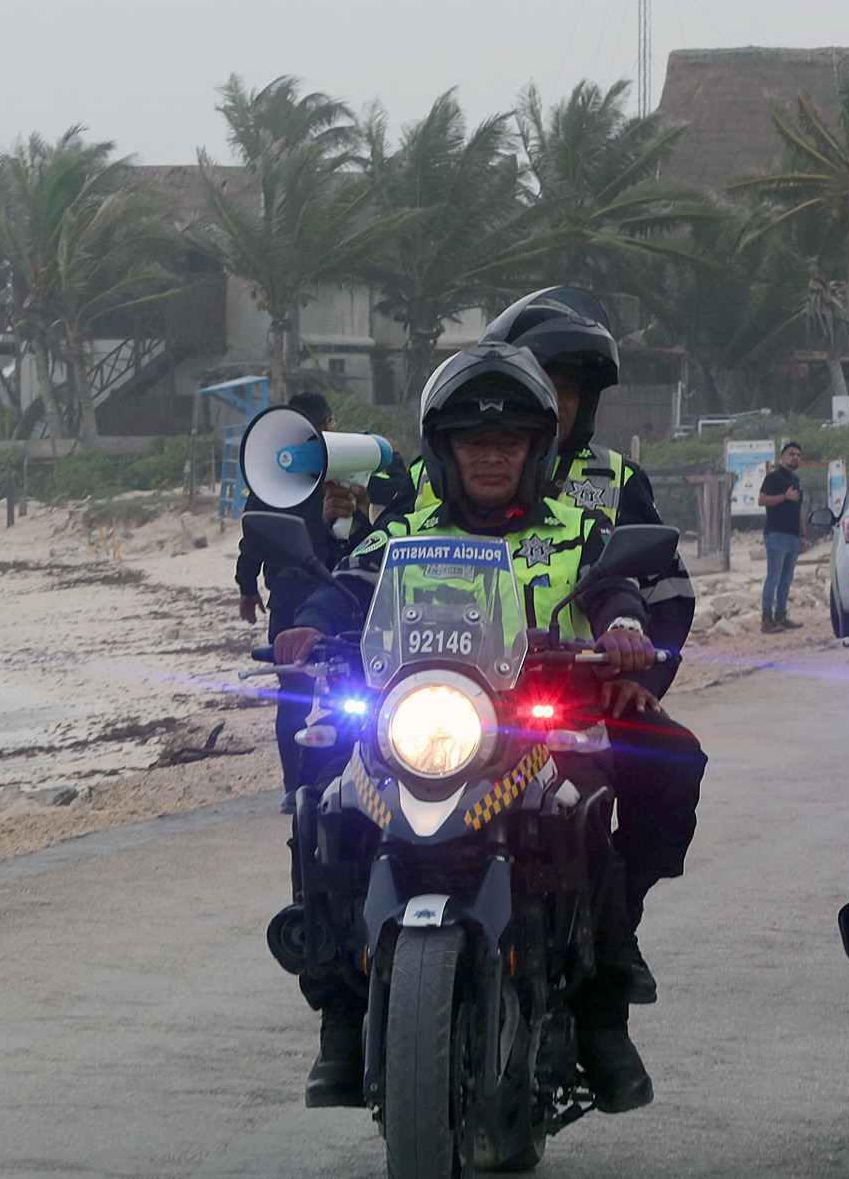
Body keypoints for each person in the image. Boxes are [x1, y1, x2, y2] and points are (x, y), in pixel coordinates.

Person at [274, 341, 702, 1113]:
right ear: (446, 450)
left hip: (541, 725)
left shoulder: (580, 526)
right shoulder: (409, 526)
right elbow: (350, 585)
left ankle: (603, 1004)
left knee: (590, 818)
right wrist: (310, 624)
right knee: (326, 802)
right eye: (475, 441)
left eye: (509, 442)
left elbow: (614, 589)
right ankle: (339, 1012)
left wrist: (628, 626)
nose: (493, 456)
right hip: (422, 721)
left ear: (538, 449)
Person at [395, 287, 705, 999]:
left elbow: (659, 589)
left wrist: (638, 668)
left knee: (667, 758)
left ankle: (612, 923)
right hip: (440, 696)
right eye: (543, 383)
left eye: (568, 391)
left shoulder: (612, 483)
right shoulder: (421, 487)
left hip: (570, 693)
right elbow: (366, 566)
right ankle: (338, 971)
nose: (552, 403)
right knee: (330, 771)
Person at [235, 392, 417, 813]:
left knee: (311, 696)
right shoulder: (276, 468)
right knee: (327, 690)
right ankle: (303, 788)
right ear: (330, 424)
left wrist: (247, 587)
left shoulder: (289, 466)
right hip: (319, 594)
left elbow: (251, 539)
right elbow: (255, 533)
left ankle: (319, 780)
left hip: (336, 591)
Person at [758, 441, 805, 632]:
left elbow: (800, 508)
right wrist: (784, 497)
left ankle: (781, 616)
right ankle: (766, 620)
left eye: (798, 455)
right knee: (774, 577)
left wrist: (803, 536)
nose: (795, 457)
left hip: (793, 536)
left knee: (787, 578)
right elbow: (762, 500)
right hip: (776, 535)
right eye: (791, 454)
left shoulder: (796, 481)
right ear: (783, 457)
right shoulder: (773, 477)